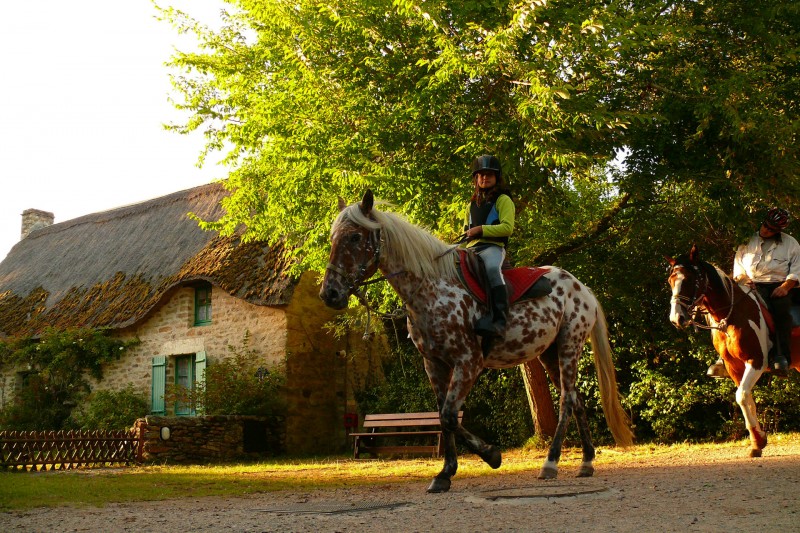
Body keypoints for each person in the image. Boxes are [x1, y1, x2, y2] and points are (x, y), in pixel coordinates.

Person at [709, 208, 799, 378]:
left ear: (779, 231)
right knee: (726, 308)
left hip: (778, 287)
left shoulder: (791, 244)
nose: (766, 230)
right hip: (749, 284)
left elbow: (797, 270)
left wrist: (785, 287)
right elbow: (739, 266)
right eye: (765, 226)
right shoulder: (748, 240)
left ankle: (781, 357)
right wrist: (743, 279)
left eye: (771, 229)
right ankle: (723, 357)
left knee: (782, 313)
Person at [461, 154, 515, 340]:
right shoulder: (471, 205)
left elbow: (508, 228)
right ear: (476, 179)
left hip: (493, 248)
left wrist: (481, 229)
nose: (484, 178)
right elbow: (466, 231)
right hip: (471, 249)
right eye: (481, 175)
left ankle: (500, 320)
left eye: (489, 174)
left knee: (492, 269)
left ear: (497, 177)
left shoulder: (503, 199)